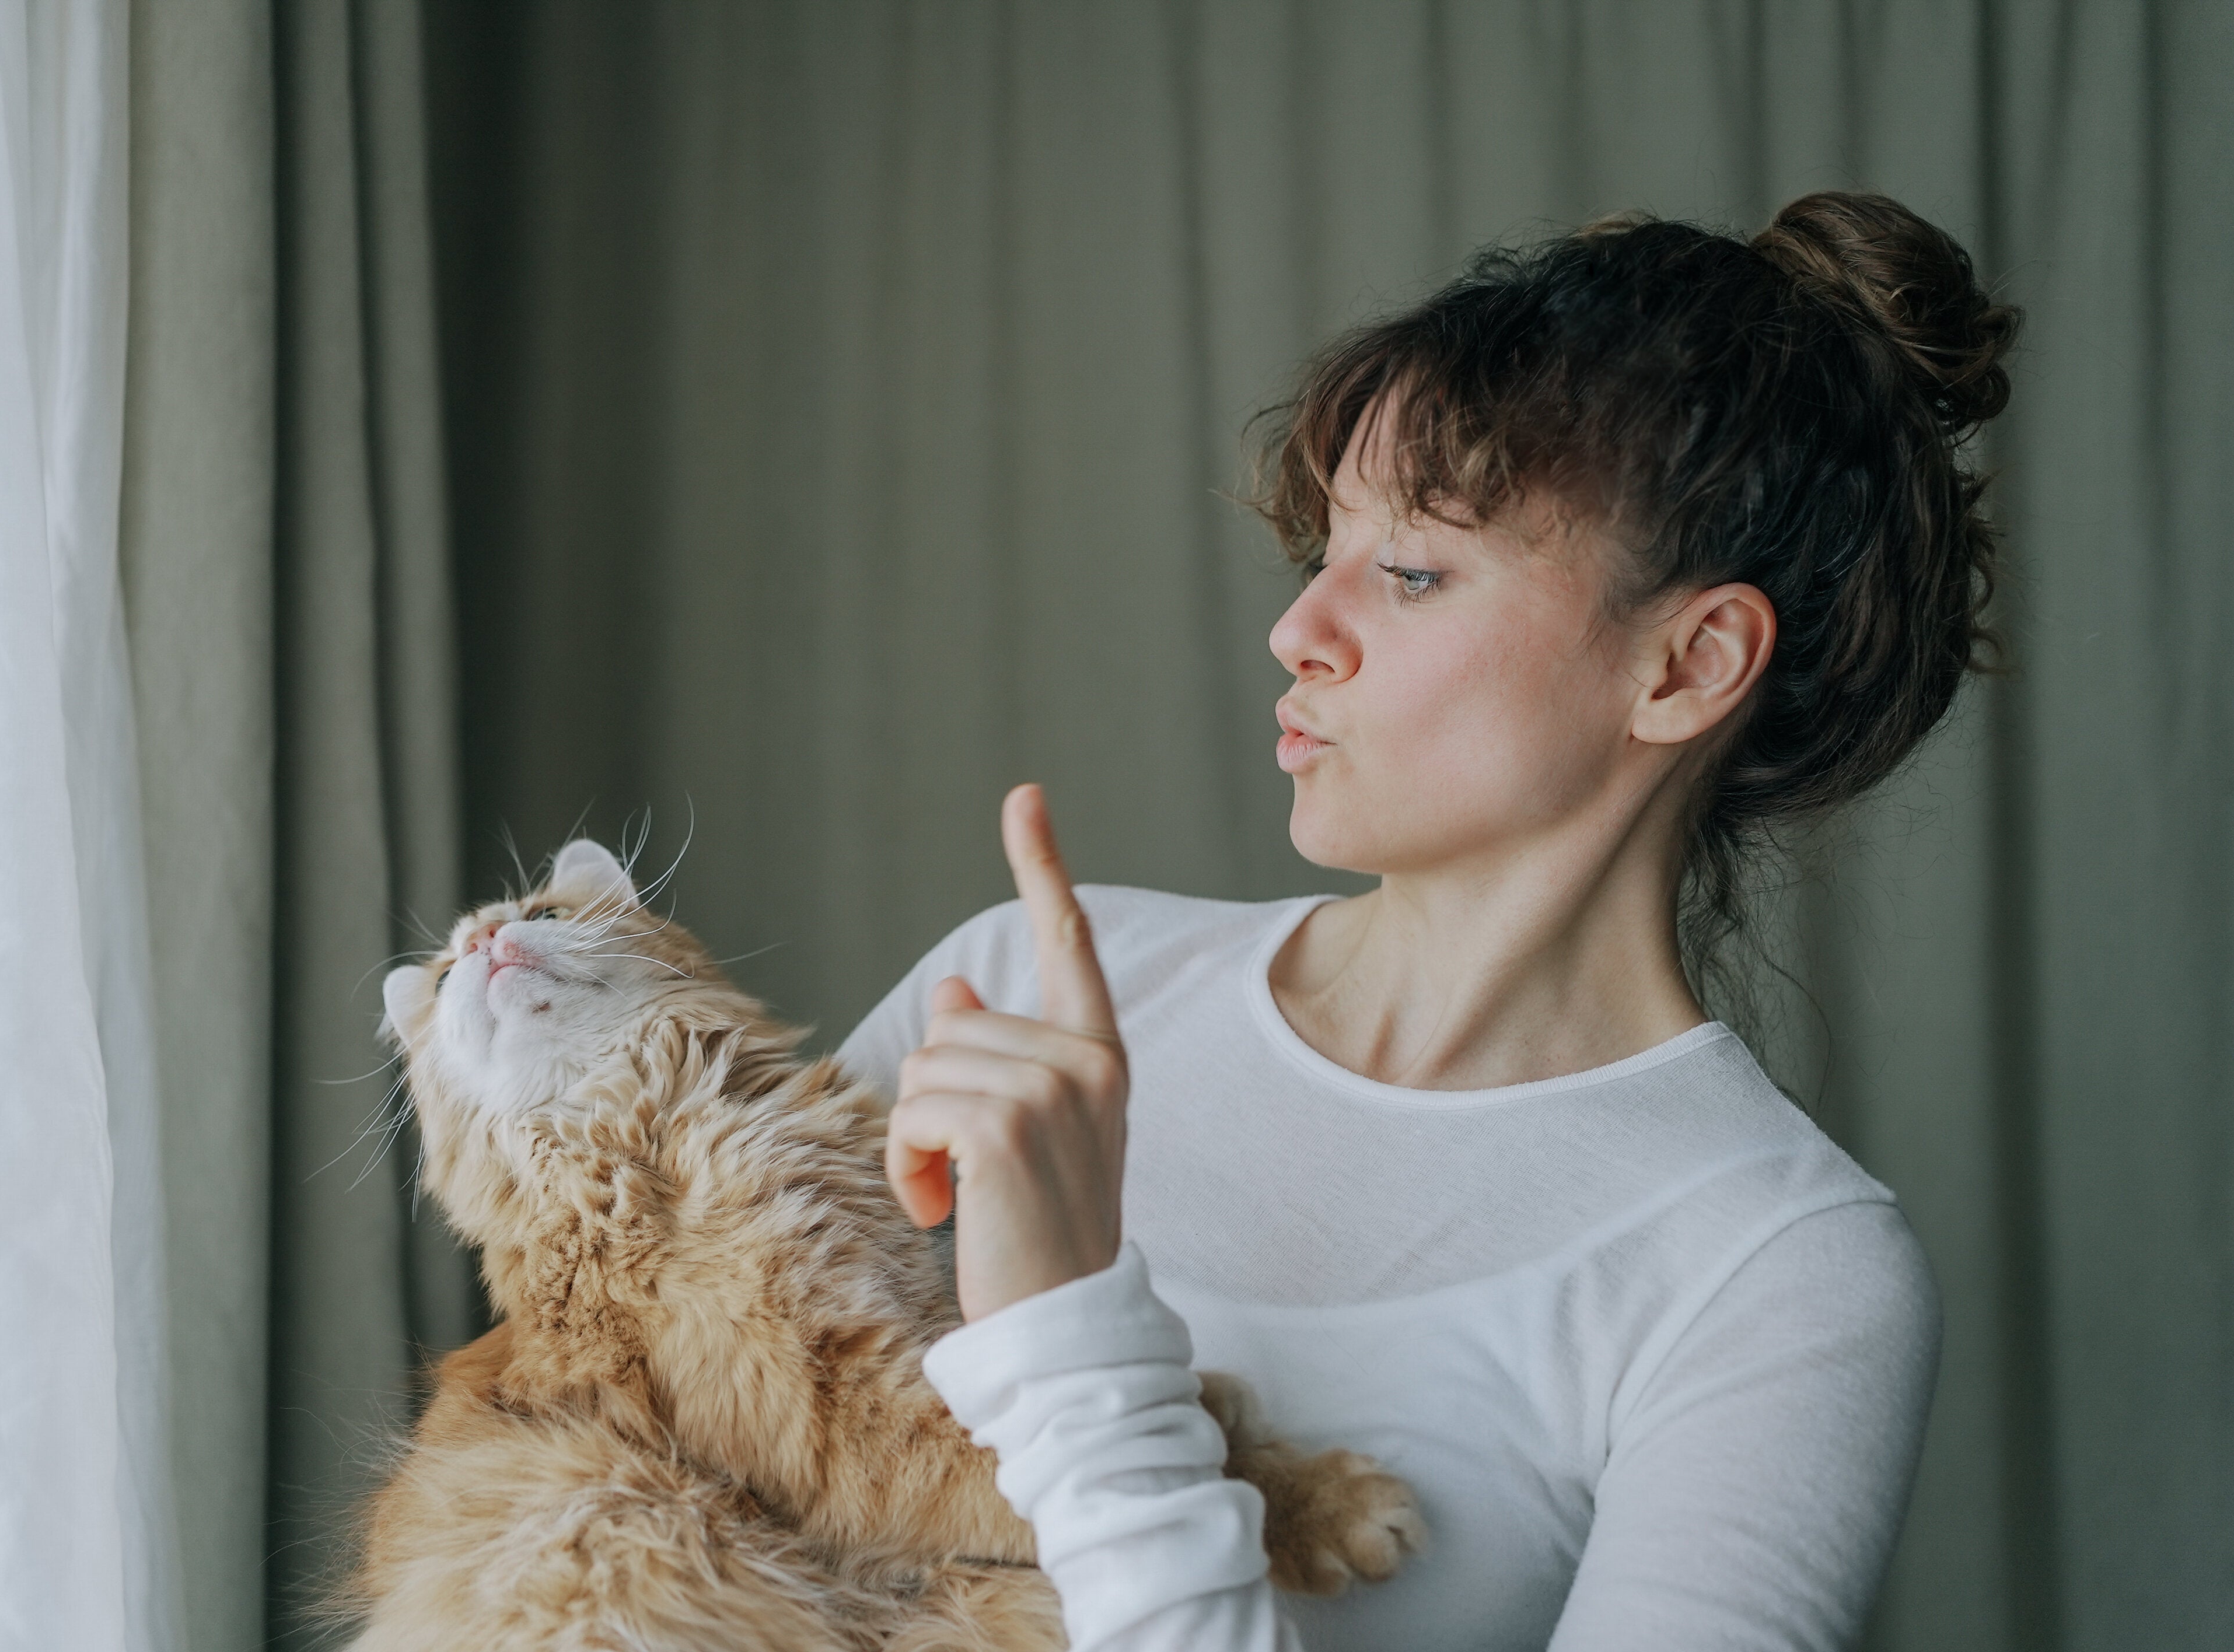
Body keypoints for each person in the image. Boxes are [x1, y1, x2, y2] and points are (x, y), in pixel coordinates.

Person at [842, 191, 2020, 1651]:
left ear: (1687, 664)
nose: (1296, 631)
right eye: (1322, 552)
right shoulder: (1017, 991)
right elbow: (632, 1481)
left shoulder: (1774, 1272)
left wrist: (1066, 1329)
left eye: (1408, 573)